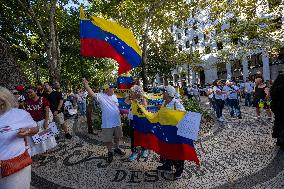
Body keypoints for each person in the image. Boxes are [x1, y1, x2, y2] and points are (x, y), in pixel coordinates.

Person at [0, 86, 38, 189]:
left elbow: (35, 128)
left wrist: (28, 131)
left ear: (3, 101)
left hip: (15, 166)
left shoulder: (20, 114)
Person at [83, 78, 125, 163]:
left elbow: (117, 106)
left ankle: (117, 148)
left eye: (113, 87)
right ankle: (110, 152)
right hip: (107, 123)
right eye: (112, 87)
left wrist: (121, 113)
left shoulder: (115, 96)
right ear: (106, 90)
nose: (113, 89)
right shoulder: (101, 96)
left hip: (117, 122)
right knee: (108, 139)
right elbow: (91, 93)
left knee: (118, 137)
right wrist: (86, 84)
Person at [157, 85, 186, 180]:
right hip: (166, 131)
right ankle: (167, 165)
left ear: (168, 93)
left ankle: (179, 171)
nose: (162, 93)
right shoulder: (164, 102)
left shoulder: (176, 103)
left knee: (177, 150)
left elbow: (183, 114)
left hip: (175, 131)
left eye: (164, 92)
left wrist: (168, 113)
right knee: (168, 148)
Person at [23, 86, 57, 157]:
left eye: (30, 92)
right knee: (36, 139)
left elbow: (46, 110)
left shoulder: (42, 99)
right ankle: (40, 152)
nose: (29, 94)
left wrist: (46, 121)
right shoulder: (26, 102)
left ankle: (47, 151)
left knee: (45, 138)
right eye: (28, 93)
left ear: (35, 91)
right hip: (32, 124)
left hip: (42, 121)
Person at [125, 85, 148, 161]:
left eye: (132, 92)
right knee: (133, 136)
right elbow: (126, 101)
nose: (131, 93)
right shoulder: (132, 98)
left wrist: (138, 102)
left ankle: (144, 149)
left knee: (142, 135)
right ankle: (134, 152)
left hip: (140, 120)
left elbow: (145, 107)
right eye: (131, 92)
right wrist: (130, 97)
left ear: (137, 93)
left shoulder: (142, 99)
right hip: (132, 120)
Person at [270, 74, 284, 149]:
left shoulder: (274, 88)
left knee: (279, 124)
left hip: (277, 109)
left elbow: (272, 98)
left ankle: (279, 140)